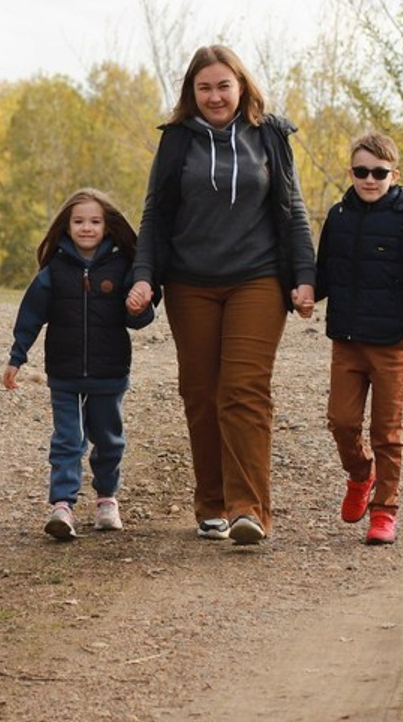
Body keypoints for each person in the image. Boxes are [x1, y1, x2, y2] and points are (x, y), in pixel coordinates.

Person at [127, 44, 316, 546]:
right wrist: (144, 274)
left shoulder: (269, 135)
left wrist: (305, 274)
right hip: (191, 283)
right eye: (204, 87)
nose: (215, 96)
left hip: (256, 278)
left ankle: (248, 509)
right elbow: (156, 216)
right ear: (192, 92)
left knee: (244, 390)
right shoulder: (176, 142)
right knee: (201, 393)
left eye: (223, 86)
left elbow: (292, 208)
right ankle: (211, 502)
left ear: (241, 86)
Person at [3, 189, 154, 540]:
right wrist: (17, 358)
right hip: (65, 372)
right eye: (79, 221)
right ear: (66, 226)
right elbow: (30, 317)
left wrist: (137, 308)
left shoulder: (123, 266)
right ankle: (62, 506)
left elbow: (140, 319)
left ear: (107, 226)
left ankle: (106, 500)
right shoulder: (54, 270)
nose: (87, 227)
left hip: (109, 371)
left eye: (95, 221)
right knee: (68, 439)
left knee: (108, 439)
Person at [314, 131, 403, 546]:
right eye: (362, 171)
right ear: (350, 172)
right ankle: (360, 475)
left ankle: (384, 510)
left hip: (392, 345)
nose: (370, 179)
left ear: (393, 173)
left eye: (379, 172)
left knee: (389, 433)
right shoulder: (338, 216)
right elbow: (324, 273)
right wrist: (302, 291)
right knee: (343, 422)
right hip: (346, 341)